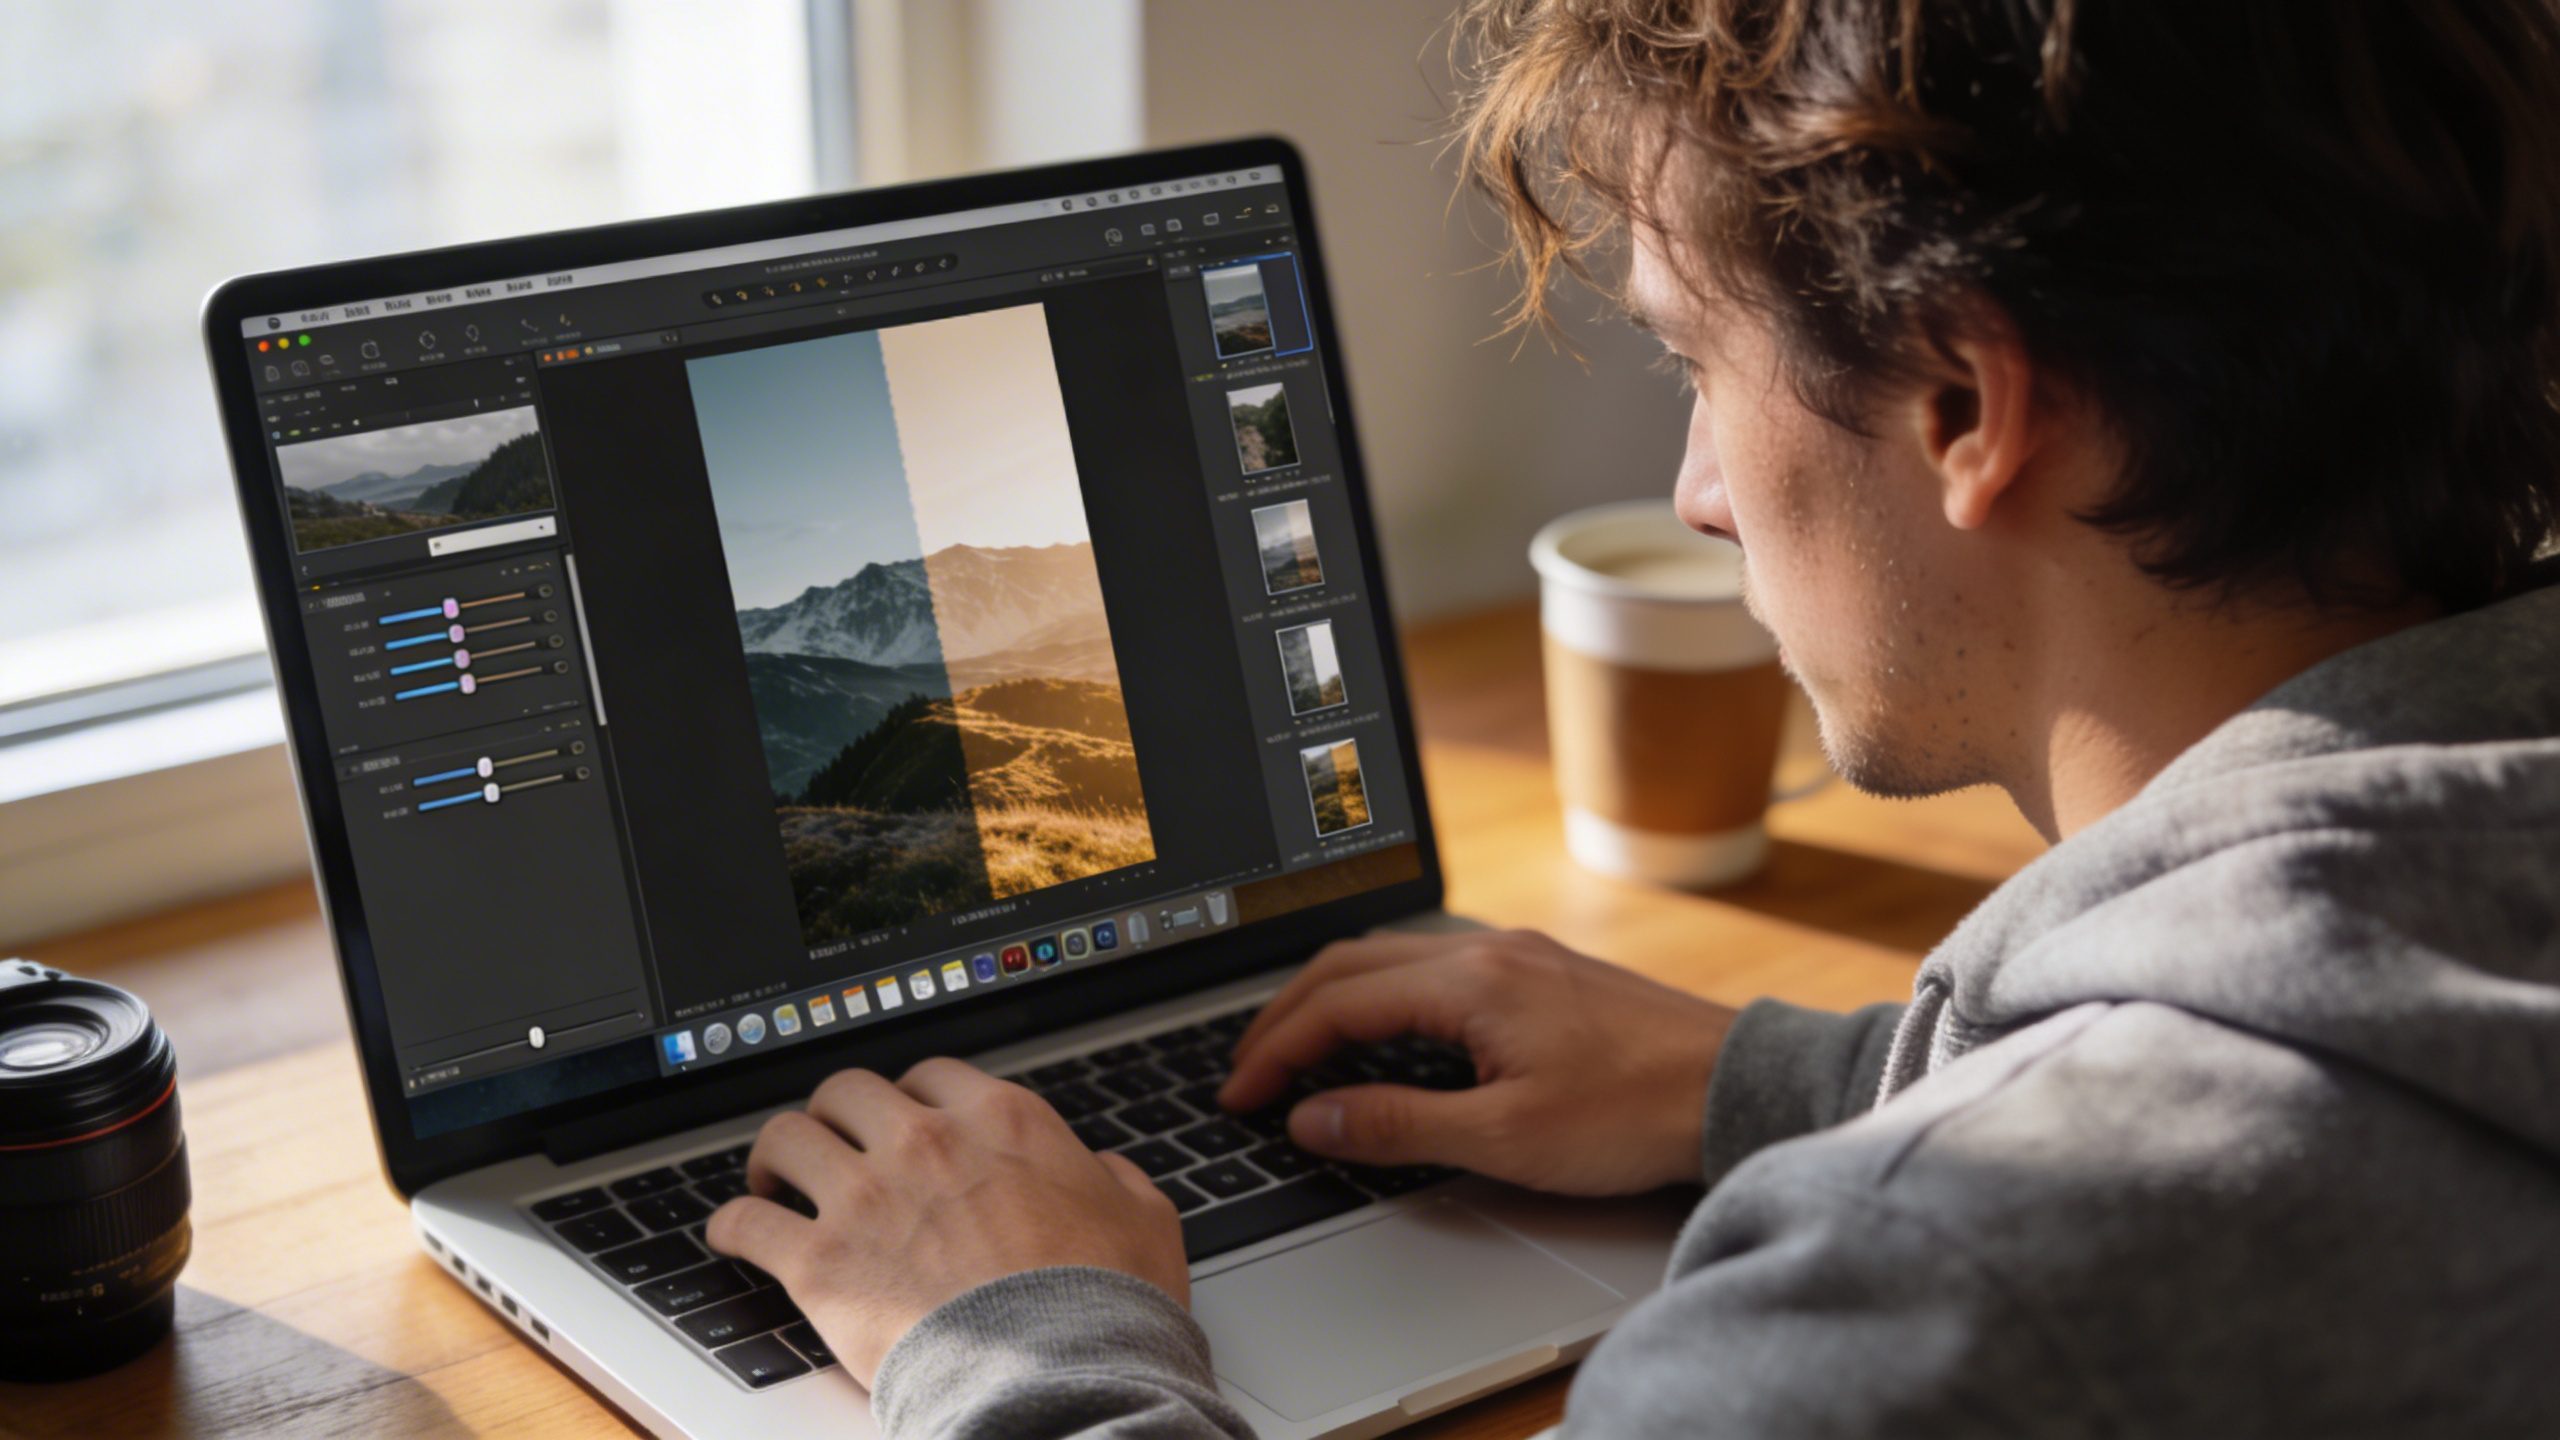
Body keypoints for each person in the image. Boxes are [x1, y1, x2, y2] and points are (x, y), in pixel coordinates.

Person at [706, 0, 2560, 1433]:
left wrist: (1014, 1334)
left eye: (1691, 359)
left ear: (1967, 408)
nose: (1694, 488)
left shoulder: (1920, 1309)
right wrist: (1798, 1082)